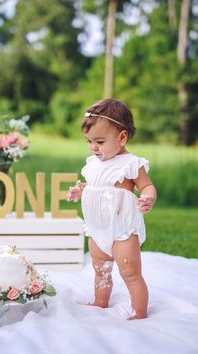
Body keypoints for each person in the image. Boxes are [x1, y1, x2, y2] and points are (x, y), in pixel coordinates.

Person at [66, 98, 157, 320]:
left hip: (122, 231)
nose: (93, 147)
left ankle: (139, 311)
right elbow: (95, 187)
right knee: (101, 271)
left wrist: (148, 197)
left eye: (99, 141)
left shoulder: (130, 164)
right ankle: (100, 301)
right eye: (89, 141)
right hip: (97, 229)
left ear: (122, 137)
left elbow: (146, 186)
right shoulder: (94, 163)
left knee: (130, 273)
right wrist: (81, 191)